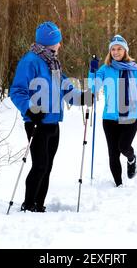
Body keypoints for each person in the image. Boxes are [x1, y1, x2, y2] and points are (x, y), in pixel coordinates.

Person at [10, 21, 92, 212]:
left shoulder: (52, 63)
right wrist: (30, 109)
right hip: (37, 122)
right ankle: (28, 204)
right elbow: (17, 91)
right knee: (39, 165)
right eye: (58, 41)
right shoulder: (30, 62)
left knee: (47, 166)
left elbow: (65, 88)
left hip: (53, 123)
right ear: (50, 42)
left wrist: (83, 97)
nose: (60, 45)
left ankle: (39, 204)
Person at [89, 34, 137, 187]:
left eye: (119, 49)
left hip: (131, 115)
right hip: (109, 118)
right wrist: (92, 70)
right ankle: (119, 185)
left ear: (125, 51)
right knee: (113, 153)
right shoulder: (105, 69)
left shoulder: (135, 70)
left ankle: (131, 158)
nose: (116, 52)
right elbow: (93, 87)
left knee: (124, 147)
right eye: (113, 49)